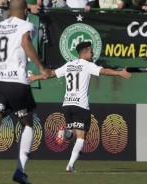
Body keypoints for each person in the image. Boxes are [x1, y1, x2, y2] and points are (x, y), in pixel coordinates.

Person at [0, 0, 50, 183]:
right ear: (25, 10)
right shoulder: (26, 24)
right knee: (27, 124)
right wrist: (41, 67)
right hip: (15, 82)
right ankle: (20, 171)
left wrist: (3, 62)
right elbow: (25, 42)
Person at [30, 41, 131, 172]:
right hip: (81, 105)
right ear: (84, 53)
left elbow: (50, 74)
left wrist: (34, 78)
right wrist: (119, 73)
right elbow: (104, 71)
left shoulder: (69, 65)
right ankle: (70, 165)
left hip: (67, 104)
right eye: (91, 51)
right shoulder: (88, 65)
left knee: (73, 135)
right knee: (81, 137)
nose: (93, 53)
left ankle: (65, 132)